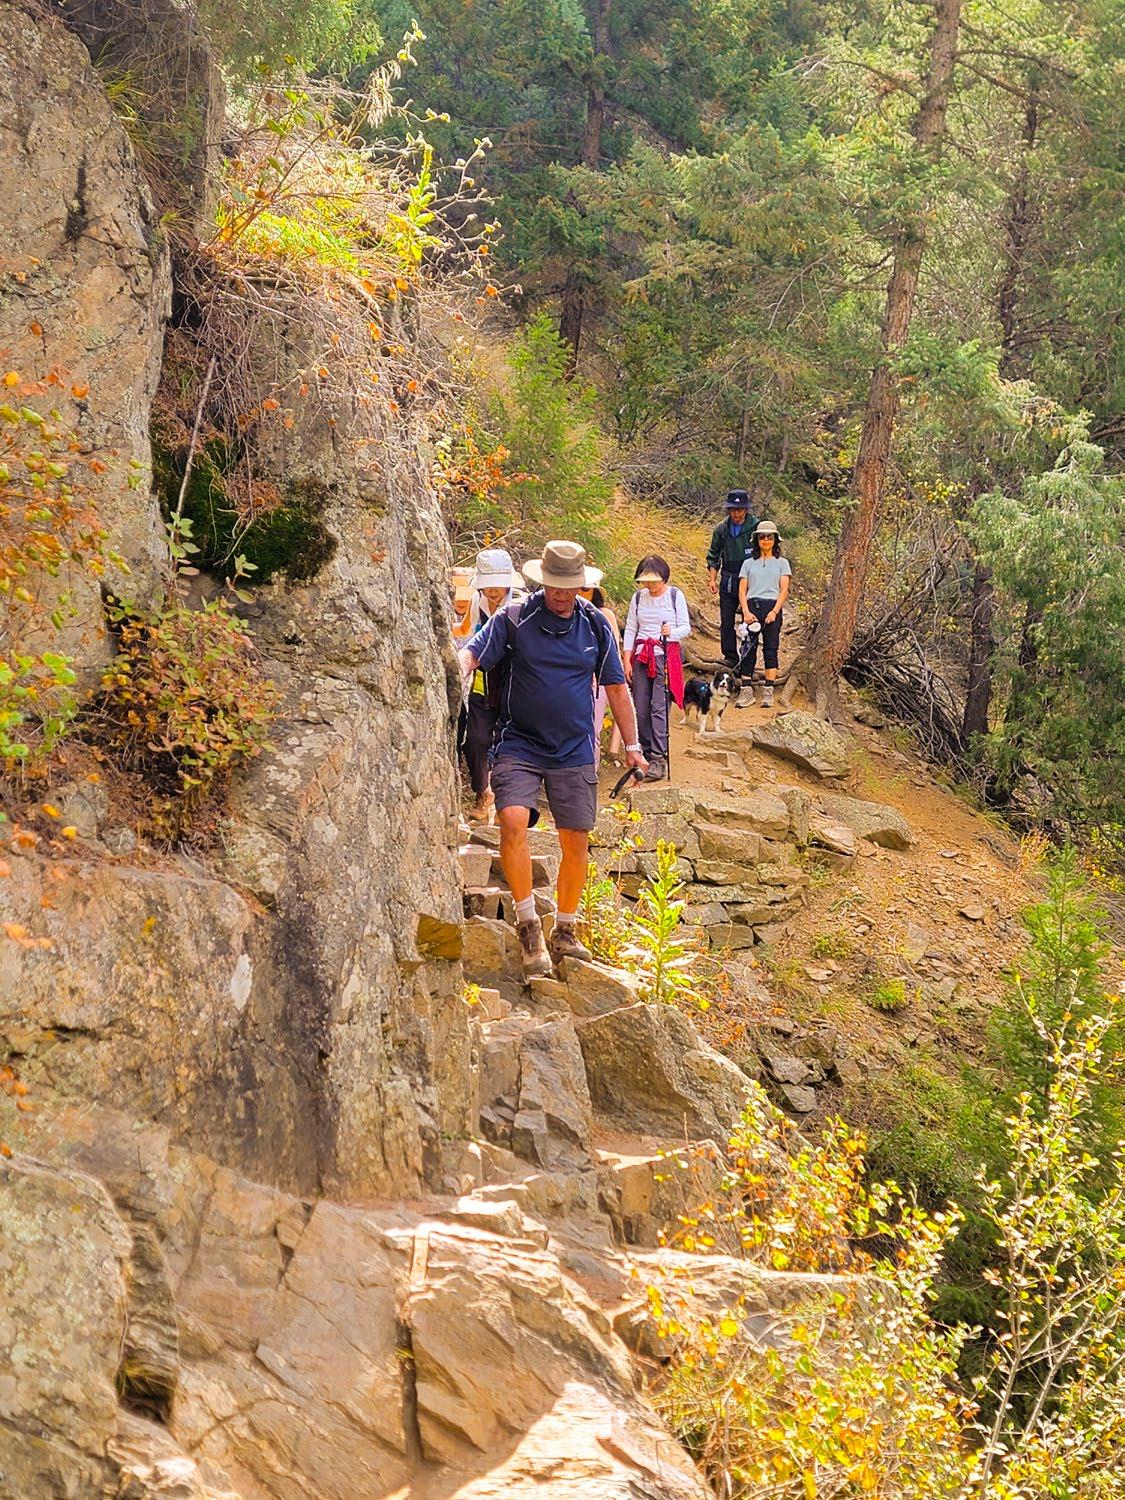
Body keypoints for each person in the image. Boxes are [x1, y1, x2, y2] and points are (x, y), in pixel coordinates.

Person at [458, 540, 647, 978]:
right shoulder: (515, 617)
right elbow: (473, 651)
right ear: (542, 582)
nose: (561, 594)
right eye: (554, 586)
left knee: (575, 839)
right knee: (511, 819)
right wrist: (457, 667)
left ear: (582, 585)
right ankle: (528, 926)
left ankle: (564, 929)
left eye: (570, 587)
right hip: (519, 741)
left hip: (574, 747)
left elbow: (616, 689)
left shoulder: (595, 625)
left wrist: (633, 747)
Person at [462, 548, 524, 821]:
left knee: (508, 742)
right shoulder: (478, 602)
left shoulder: (521, 603)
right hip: (483, 679)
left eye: (497, 586)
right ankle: (482, 792)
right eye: (488, 587)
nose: (493, 592)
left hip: (513, 681)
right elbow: (471, 638)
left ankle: (505, 803)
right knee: (475, 739)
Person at [623, 555, 690, 781]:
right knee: (640, 707)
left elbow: (685, 627)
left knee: (659, 707)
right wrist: (627, 659)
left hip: (665, 656)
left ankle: (659, 759)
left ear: (663, 577)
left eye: (653, 580)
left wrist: (671, 632)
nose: (649, 585)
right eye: (645, 581)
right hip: (642, 656)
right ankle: (645, 753)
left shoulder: (674, 596)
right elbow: (631, 628)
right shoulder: (638, 598)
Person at [737, 521, 791, 708]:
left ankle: (768, 691)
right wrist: (745, 611)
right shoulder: (748, 563)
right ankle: (746, 690)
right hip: (752, 607)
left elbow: (784, 590)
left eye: (769, 537)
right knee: (747, 648)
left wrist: (774, 611)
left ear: (775, 540)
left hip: (772, 607)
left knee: (771, 648)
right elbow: (742, 590)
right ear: (757, 540)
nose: (766, 540)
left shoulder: (782, 563)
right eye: (762, 537)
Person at [706, 489, 760, 667]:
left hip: (752, 581)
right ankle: (730, 657)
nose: (736, 514)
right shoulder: (721, 529)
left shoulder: (756, 527)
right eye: (733, 510)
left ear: (746, 509)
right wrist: (712, 579)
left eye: (740, 509)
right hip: (729, 578)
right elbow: (713, 556)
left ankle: (747, 660)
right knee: (726, 620)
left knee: (750, 620)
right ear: (728, 510)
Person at [579, 581, 622, 767]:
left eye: (585, 589)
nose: (580, 592)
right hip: (571, 680)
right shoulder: (565, 613)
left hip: (597, 680)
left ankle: (591, 771)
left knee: (593, 729)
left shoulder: (604, 614)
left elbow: (613, 651)